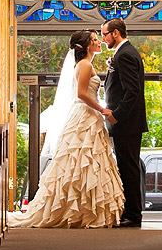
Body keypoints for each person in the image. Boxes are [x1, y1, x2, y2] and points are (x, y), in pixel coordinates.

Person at [7, 30, 124, 228]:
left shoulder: (84, 64)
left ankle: (80, 208)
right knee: (83, 160)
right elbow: (81, 94)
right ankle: (80, 210)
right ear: (87, 46)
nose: (99, 43)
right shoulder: (85, 64)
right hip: (86, 114)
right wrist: (102, 109)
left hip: (87, 115)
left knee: (83, 162)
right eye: (96, 40)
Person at [101, 16, 147, 227]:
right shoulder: (124, 53)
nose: (103, 39)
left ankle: (133, 215)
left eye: (105, 35)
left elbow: (132, 91)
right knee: (127, 166)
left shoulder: (126, 55)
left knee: (129, 168)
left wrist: (116, 114)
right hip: (125, 122)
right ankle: (130, 212)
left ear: (116, 33)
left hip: (126, 123)